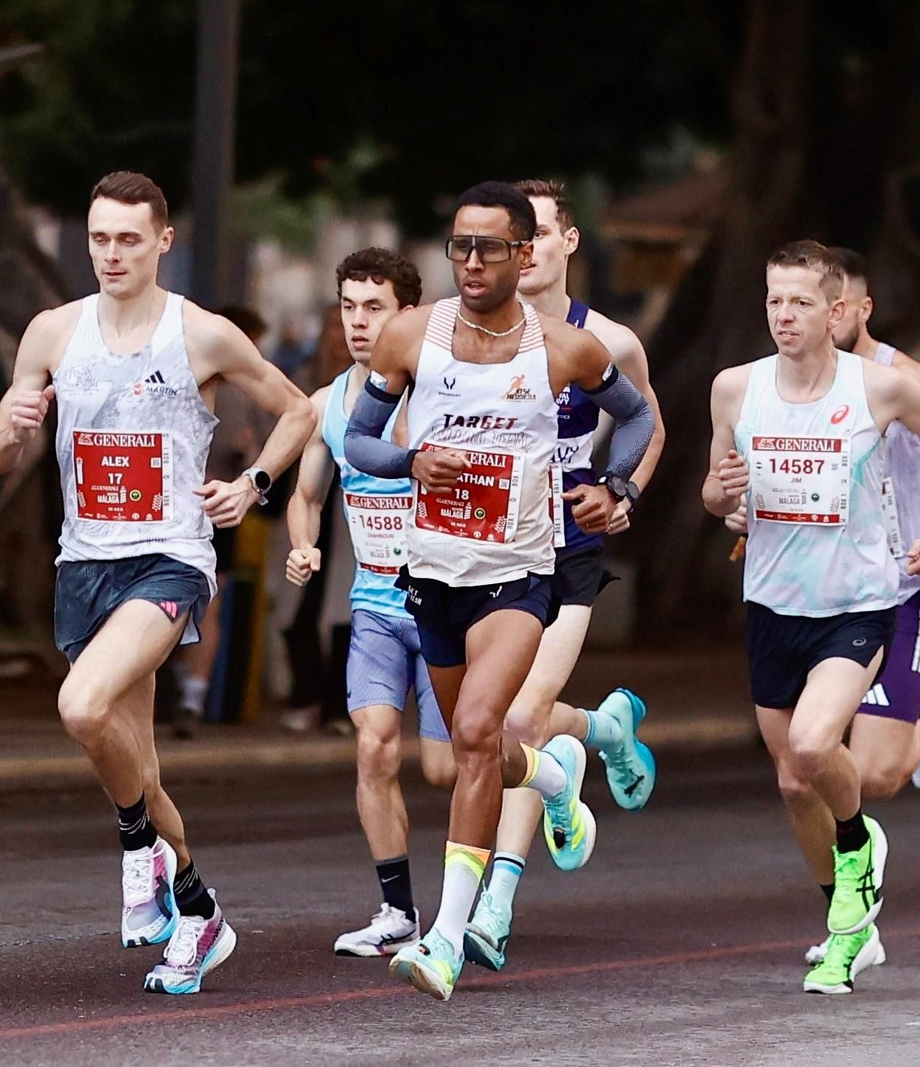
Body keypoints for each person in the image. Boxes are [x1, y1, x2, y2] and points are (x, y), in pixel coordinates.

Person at [0, 171, 314, 995]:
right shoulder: (53, 332)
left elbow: (300, 410)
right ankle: (197, 911)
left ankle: (136, 850)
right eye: (99, 238)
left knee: (81, 705)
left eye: (129, 238)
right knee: (141, 767)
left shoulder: (201, 334)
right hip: (83, 564)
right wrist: (9, 429)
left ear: (164, 241)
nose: (112, 254)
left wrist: (256, 484)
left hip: (170, 559)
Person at [344, 181, 654, 1001]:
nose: (472, 262)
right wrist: (411, 461)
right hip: (432, 572)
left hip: (520, 576)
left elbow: (642, 415)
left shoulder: (565, 350)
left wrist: (616, 485)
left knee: (477, 727)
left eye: (489, 247)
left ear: (525, 254)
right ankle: (554, 777)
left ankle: (446, 937)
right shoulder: (413, 335)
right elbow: (359, 439)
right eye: (459, 246)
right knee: (468, 755)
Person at [703, 240, 920, 995]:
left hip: (860, 604)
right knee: (797, 783)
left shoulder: (881, 388)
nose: (783, 315)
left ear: (835, 311)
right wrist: (724, 493)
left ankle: (857, 847)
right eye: (773, 300)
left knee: (812, 739)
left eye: (798, 302)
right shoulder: (734, 389)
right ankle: (847, 926)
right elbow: (713, 493)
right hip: (771, 605)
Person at [462, 178, 667, 973]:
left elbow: (650, 424)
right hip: (491, 550)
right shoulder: (472, 336)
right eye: (513, 238)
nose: (526, 249)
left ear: (568, 242)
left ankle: (496, 906)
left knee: (517, 720)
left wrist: (622, 491)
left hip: (569, 549)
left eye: (539, 234)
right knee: (499, 724)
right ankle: (603, 730)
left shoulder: (606, 339)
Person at [284, 247, 458, 957]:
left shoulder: (443, 394)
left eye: (374, 307)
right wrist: (304, 545)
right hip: (376, 610)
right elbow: (306, 495)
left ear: (406, 314)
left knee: (450, 767)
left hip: (446, 608)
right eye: (349, 307)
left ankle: (550, 763)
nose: (359, 322)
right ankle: (397, 912)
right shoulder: (332, 404)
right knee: (374, 748)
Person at [167, 304, 270, 738]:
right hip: (215, 505)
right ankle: (192, 694)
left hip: (175, 505)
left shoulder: (178, 375)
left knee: (169, 604)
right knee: (207, 605)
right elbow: (253, 450)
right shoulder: (241, 391)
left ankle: (176, 691)